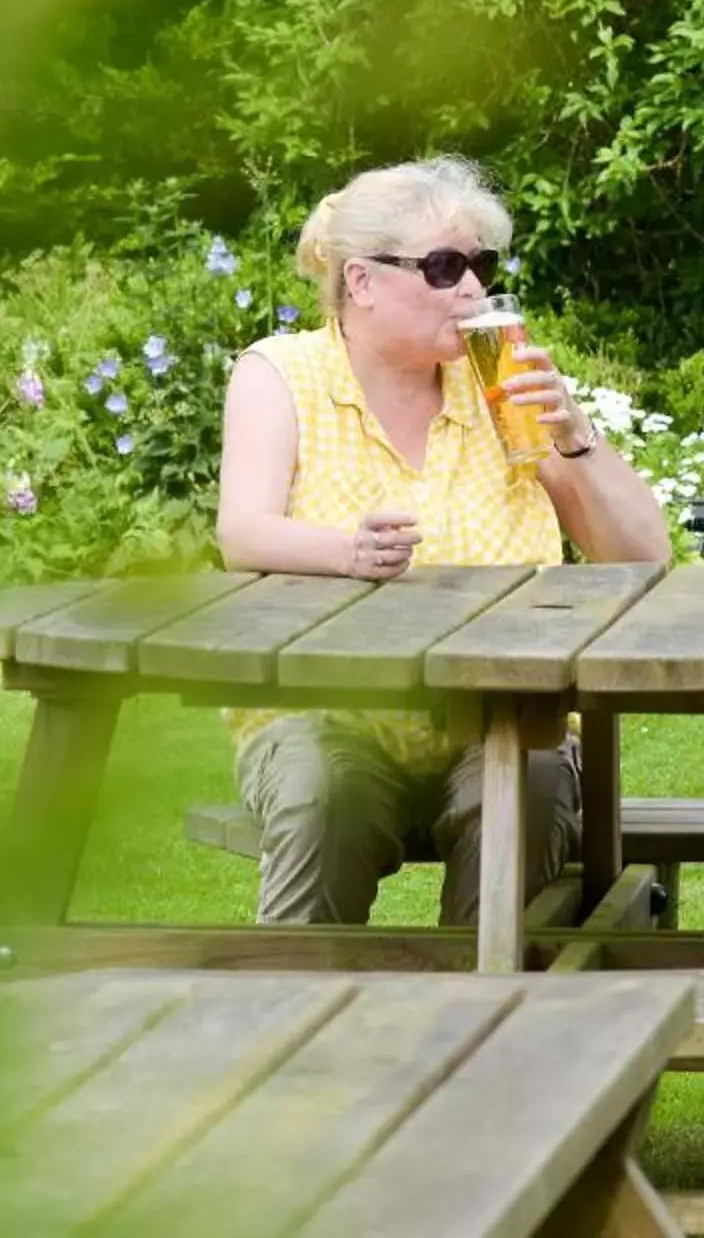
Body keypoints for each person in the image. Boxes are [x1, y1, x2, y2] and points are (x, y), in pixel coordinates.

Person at [215, 156, 672, 926]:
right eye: (443, 267)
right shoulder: (282, 374)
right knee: (323, 792)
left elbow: (641, 553)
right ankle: (291, 1018)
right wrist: (346, 553)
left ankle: (477, 1016)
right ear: (360, 281)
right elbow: (243, 532)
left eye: (480, 266)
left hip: (507, 710)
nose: (472, 290)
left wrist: (575, 435)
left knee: (528, 789)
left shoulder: (498, 381)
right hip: (330, 709)